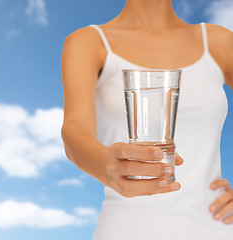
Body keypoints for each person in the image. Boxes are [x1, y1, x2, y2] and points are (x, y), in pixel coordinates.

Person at [61, 0, 233, 239]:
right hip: (125, 229)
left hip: (216, 228)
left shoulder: (220, 42)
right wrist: (107, 167)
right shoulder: (89, 43)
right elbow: (74, 130)